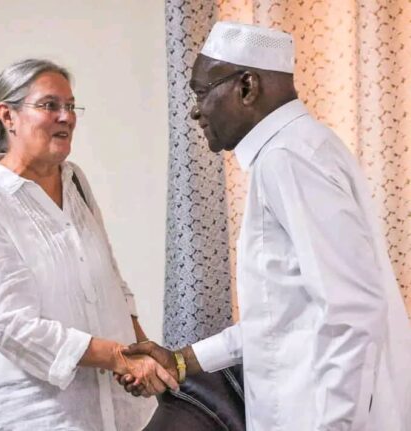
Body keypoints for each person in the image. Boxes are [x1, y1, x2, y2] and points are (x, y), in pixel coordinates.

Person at [120, 22, 411, 430]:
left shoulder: (289, 158)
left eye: (202, 92)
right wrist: (184, 360)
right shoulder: (299, 148)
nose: (195, 110)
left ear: (246, 87)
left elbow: (353, 312)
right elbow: (282, 318)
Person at [0, 58, 177, 431]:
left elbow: (110, 283)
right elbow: (11, 326)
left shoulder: (75, 181)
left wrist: (142, 352)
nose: (66, 117)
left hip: (116, 412)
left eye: (70, 106)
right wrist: (118, 356)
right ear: (8, 116)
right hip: (35, 416)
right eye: (50, 105)